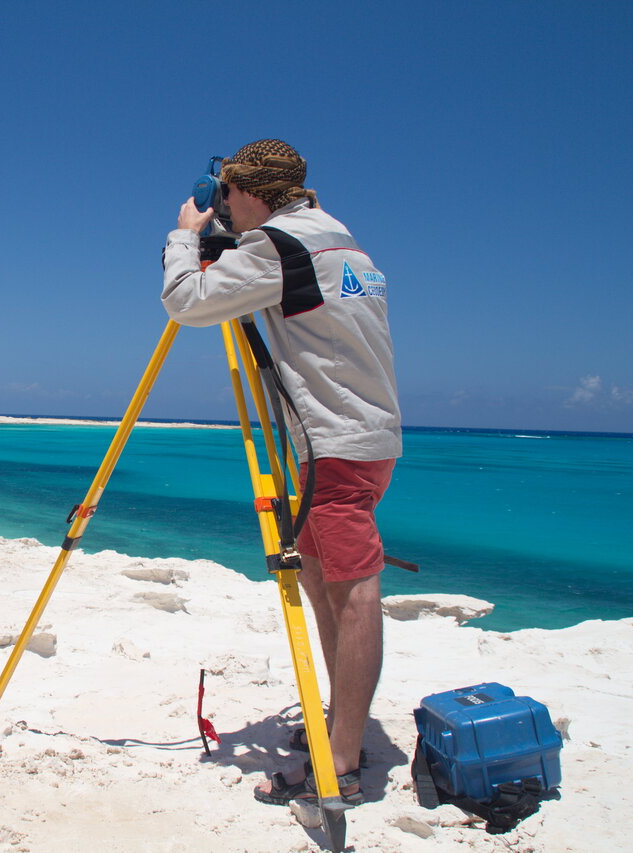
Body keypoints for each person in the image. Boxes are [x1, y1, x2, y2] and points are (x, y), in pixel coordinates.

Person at [161, 139, 401, 807]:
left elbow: (186, 301)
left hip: (336, 445)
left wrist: (185, 238)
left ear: (249, 193)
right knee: (321, 576)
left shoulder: (279, 246)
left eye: (228, 195)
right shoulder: (343, 244)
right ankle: (338, 725)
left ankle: (340, 762)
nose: (224, 206)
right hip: (361, 438)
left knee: (353, 592)